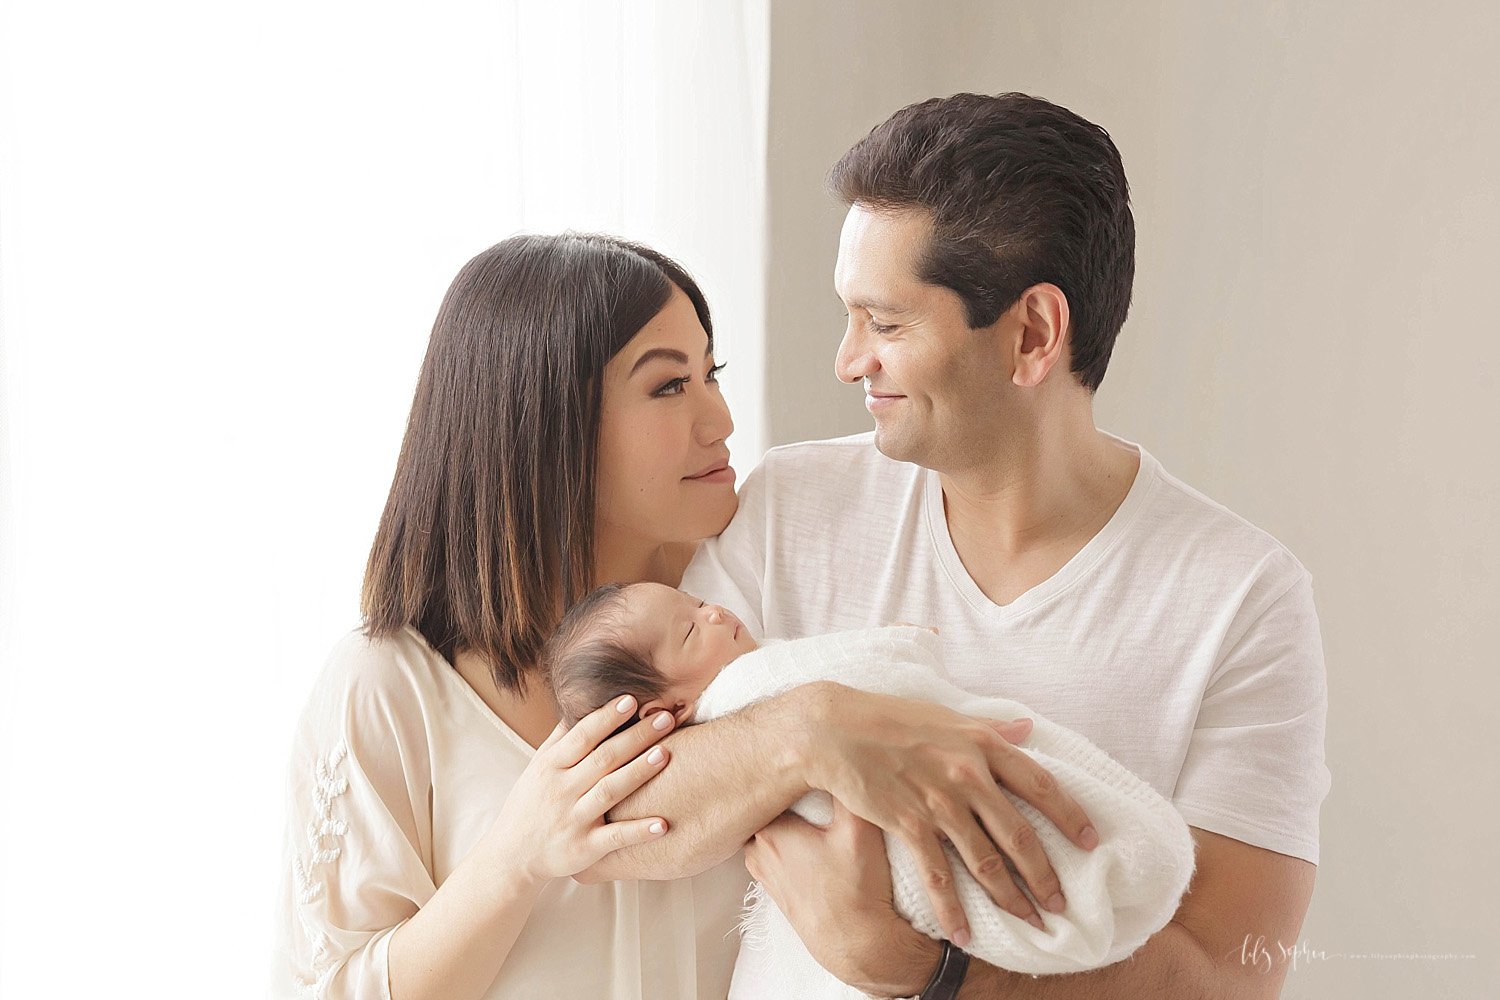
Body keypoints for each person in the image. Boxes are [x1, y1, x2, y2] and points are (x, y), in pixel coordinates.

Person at [602, 94, 1332, 1000]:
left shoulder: (1241, 598)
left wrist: (932, 971)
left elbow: (1228, 977)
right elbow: (615, 806)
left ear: (1031, 335)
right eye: (849, 316)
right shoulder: (790, 507)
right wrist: (810, 730)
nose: (847, 360)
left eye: (888, 323)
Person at [272, 230, 1095, 1000]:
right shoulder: (390, 688)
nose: (722, 421)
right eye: (669, 385)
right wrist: (514, 860)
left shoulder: (750, 625)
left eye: (712, 374)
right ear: (544, 424)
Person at [542, 579, 1194, 989]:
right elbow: (605, 832)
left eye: (700, 603)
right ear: (664, 716)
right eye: (690, 627)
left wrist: (915, 967)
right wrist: (838, 704)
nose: (714, 612)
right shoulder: (742, 685)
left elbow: (1222, 974)